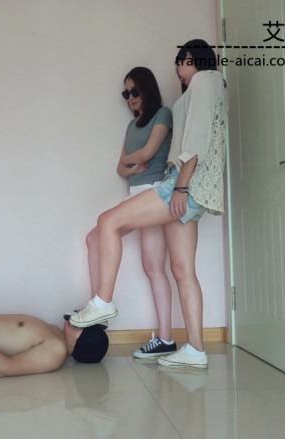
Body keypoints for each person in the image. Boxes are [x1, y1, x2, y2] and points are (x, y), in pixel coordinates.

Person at [69, 39, 227, 370]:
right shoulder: (209, 87)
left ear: (197, 59)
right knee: (183, 270)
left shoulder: (204, 80)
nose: (179, 69)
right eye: (177, 64)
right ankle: (195, 350)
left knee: (108, 222)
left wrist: (180, 186)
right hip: (194, 188)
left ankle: (103, 302)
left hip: (183, 183)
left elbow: (195, 141)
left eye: (183, 62)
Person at [83, 66, 177, 359]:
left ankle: (106, 305)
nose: (131, 97)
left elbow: (148, 153)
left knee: (151, 265)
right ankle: (99, 309)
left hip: (155, 192)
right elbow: (120, 168)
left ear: (147, 88)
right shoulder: (132, 125)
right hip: (137, 193)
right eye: (126, 93)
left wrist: (132, 162)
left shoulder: (163, 115)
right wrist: (133, 166)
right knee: (95, 239)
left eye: (134, 90)